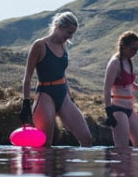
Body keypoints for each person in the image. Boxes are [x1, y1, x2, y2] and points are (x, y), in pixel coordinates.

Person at [20, 11, 92, 147]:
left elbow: (62, 74)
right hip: (45, 95)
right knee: (46, 145)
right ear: (59, 26)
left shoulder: (64, 46)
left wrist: (70, 99)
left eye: (72, 33)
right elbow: (27, 78)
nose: (70, 37)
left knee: (87, 139)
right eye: (68, 32)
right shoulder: (39, 45)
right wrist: (26, 103)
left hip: (63, 95)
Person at [102, 31, 138, 147]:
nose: (135, 53)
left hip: (130, 110)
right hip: (118, 110)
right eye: (133, 49)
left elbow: (129, 84)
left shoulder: (128, 61)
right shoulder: (115, 63)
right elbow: (106, 89)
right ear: (124, 46)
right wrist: (109, 113)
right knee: (122, 150)